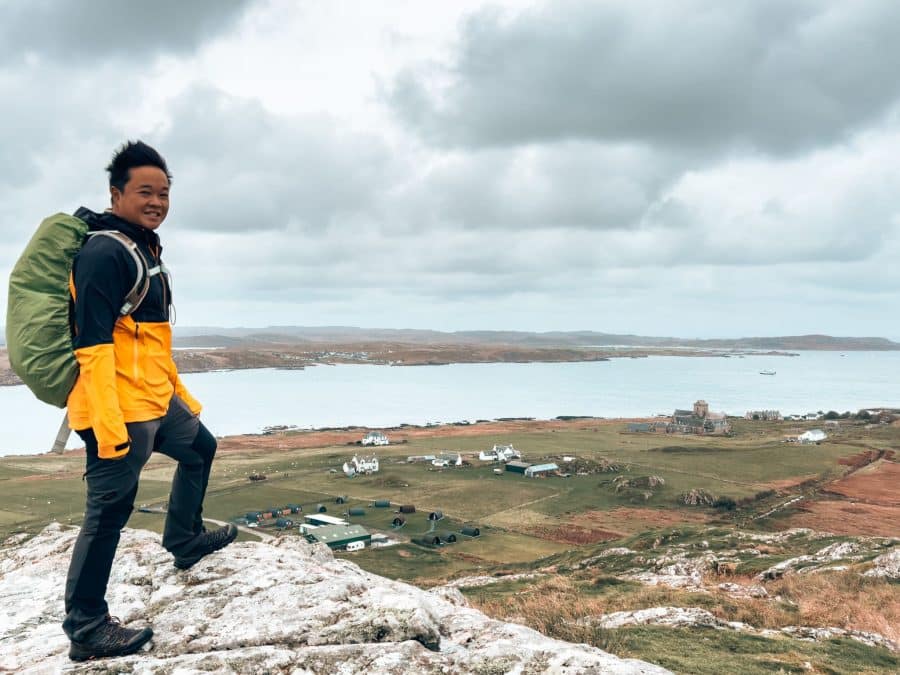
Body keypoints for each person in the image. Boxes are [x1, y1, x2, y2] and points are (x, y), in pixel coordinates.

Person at [62, 141, 237, 662]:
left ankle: (184, 539)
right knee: (107, 514)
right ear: (116, 194)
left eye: (163, 193)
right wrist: (108, 424)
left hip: (155, 401)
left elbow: (150, 341)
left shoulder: (143, 248)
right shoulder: (104, 252)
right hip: (118, 408)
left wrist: (179, 395)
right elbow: (92, 347)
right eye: (145, 191)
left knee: (200, 448)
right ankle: (86, 627)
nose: (157, 201)